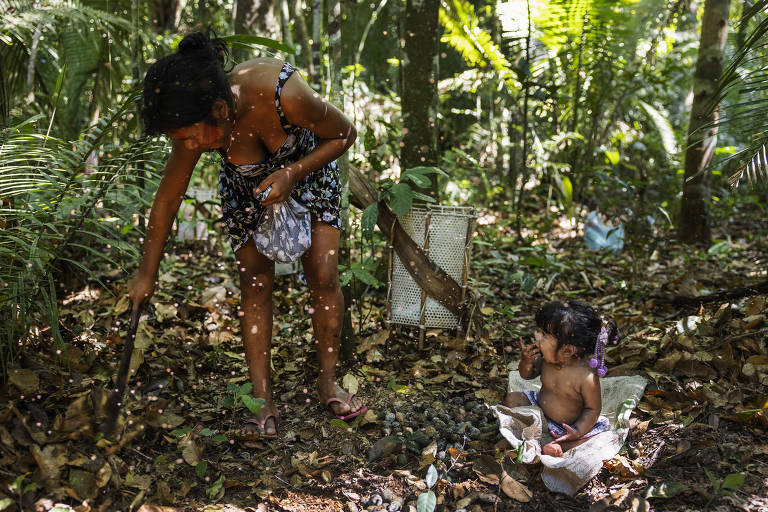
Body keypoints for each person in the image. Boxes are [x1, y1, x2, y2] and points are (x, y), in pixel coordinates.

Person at [127, 30, 365, 437]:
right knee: (254, 284)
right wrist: (146, 274)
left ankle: (328, 382)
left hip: (309, 172)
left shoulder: (281, 91)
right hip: (246, 189)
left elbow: (344, 133)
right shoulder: (193, 126)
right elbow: (166, 202)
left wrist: (292, 172)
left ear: (220, 108)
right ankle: (262, 397)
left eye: (189, 136)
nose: (188, 145)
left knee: (324, 277)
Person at [501, 301, 617, 456]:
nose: (537, 337)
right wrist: (526, 362)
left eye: (544, 335)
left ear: (568, 350)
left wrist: (577, 431)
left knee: (593, 439)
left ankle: (558, 444)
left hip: (567, 427)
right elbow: (526, 375)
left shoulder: (586, 376)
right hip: (540, 411)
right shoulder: (547, 361)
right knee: (513, 399)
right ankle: (518, 434)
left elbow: (592, 409)